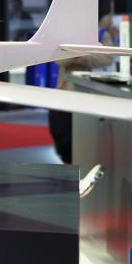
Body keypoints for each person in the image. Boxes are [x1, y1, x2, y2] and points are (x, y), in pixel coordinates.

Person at [49, 14, 117, 163]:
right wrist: (82, 55)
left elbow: (108, 58)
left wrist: (81, 57)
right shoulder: (65, 35)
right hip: (64, 91)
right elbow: (58, 59)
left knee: (81, 136)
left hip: (88, 93)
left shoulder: (101, 34)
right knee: (61, 133)